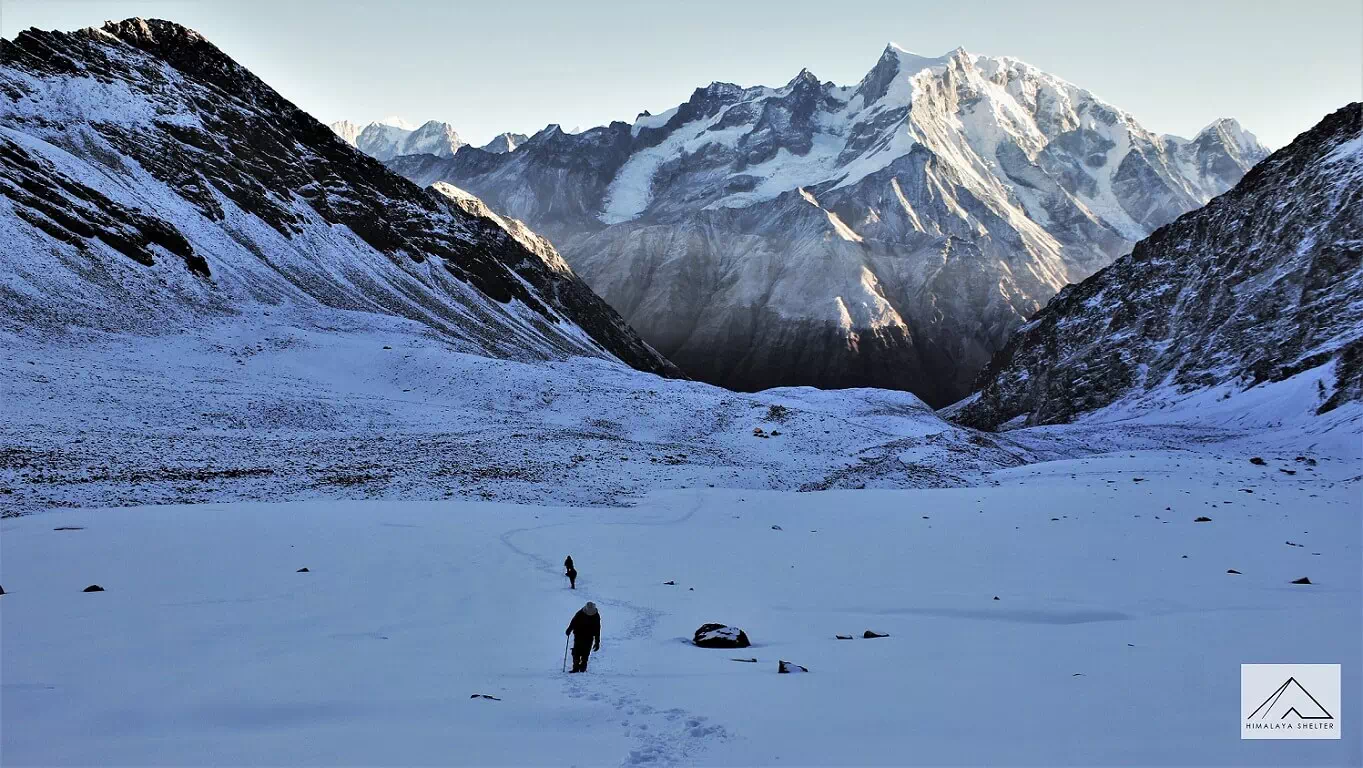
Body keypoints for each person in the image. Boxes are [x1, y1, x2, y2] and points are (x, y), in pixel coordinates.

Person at [565, 601, 600, 673]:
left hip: (589, 636)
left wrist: (597, 642)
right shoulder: (580, 613)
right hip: (579, 635)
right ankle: (576, 668)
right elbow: (573, 622)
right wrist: (569, 629)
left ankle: (583, 667)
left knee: (586, 652)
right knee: (576, 651)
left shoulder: (596, 616)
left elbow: (597, 629)